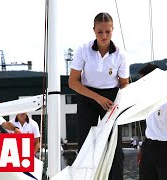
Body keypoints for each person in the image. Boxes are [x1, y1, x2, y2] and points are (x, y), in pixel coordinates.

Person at [68, 12, 129, 180]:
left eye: (108, 32)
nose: (104, 35)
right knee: (85, 145)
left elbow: (124, 83)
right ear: (94, 30)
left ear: (112, 30)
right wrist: (97, 97)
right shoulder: (83, 50)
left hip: (111, 98)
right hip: (87, 96)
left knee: (114, 147)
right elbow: (73, 82)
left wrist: (119, 102)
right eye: (100, 32)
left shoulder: (120, 54)